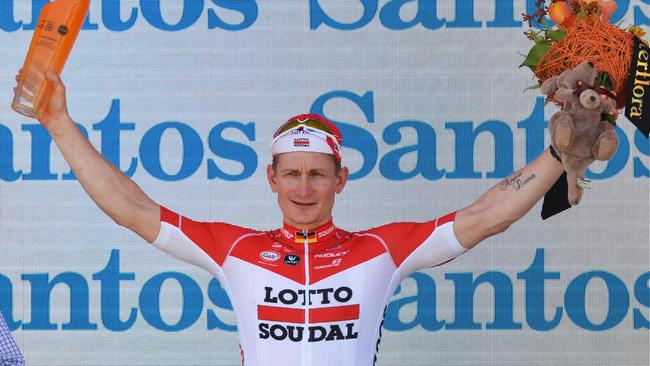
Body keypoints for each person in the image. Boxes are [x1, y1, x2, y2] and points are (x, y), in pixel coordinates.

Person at [16, 70, 565, 366]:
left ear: (341, 179)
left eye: (318, 174)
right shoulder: (236, 250)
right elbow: (132, 210)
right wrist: (60, 125)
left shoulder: (380, 249)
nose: (304, 188)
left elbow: (488, 214)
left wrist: (561, 154)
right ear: (271, 178)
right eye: (292, 174)